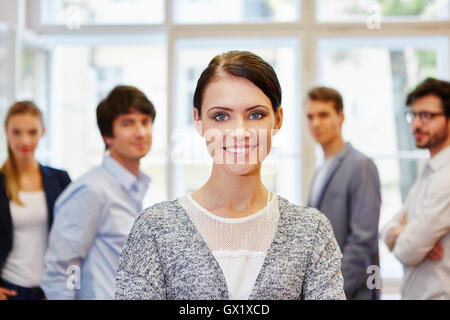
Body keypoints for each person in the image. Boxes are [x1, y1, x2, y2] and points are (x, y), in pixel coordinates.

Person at [115, 51, 345, 300]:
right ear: (199, 121)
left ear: (277, 119)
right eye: (221, 116)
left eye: (255, 115)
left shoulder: (311, 231)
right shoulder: (155, 230)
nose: (239, 132)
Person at [41, 85, 156, 300]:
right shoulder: (91, 191)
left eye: (145, 121)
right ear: (107, 135)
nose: (141, 132)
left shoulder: (134, 189)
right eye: (128, 123)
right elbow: (62, 270)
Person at [305, 87, 381, 300]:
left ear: (341, 116)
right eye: (310, 117)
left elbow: (363, 241)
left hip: (352, 291)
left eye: (324, 115)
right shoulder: (321, 170)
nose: (315, 123)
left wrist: (333, 292)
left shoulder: (361, 166)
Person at [382, 77, 450, 299]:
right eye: (413, 115)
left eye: (427, 116)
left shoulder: (446, 175)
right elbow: (386, 230)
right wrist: (405, 233)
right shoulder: (429, 168)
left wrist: (404, 235)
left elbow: (407, 251)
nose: (417, 124)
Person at [0, 101, 71, 300]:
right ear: (6, 131)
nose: (24, 140)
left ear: (43, 132)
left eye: (32, 132)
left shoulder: (60, 180)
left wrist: (68, 289)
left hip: (51, 291)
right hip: (10, 290)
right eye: (17, 132)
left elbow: (74, 242)